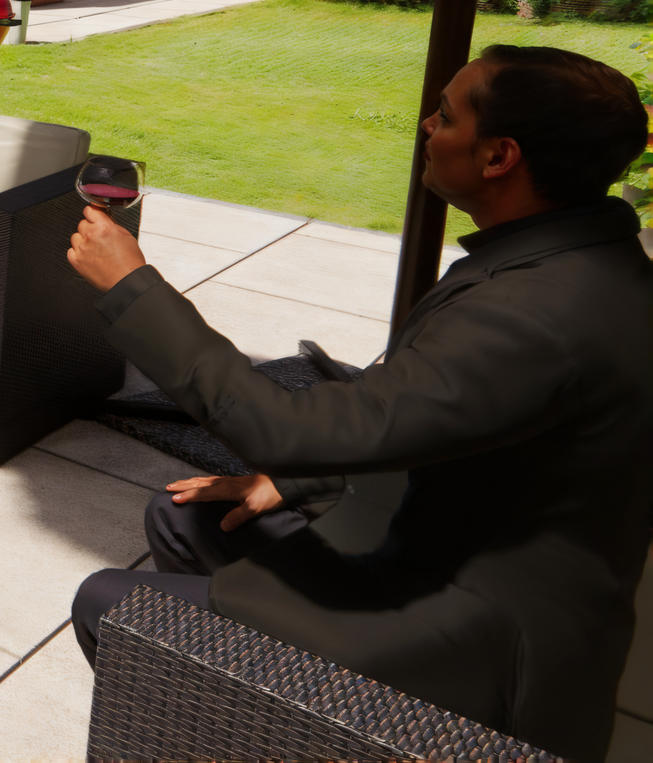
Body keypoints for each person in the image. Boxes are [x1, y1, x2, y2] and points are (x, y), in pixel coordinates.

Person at [65, 45, 651, 762]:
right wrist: (297, 482)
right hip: (444, 534)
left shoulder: (538, 314)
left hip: (473, 625)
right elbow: (439, 419)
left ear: (499, 157)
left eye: (446, 116)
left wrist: (132, 289)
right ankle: (233, 717)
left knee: (108, 603)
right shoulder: (565, 259)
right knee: (185, 517)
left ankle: (251, 711)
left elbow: (286, 429)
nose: (427, 126)